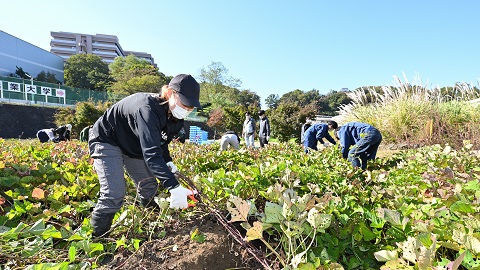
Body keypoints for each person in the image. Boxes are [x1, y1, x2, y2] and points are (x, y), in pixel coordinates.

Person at [88, 74, 200, 237]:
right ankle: (96, 239)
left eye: (190, 108)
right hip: (108, 139)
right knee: (114, 193)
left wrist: (168, 161)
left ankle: (152, 223)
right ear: (169, 93)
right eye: (184, 104)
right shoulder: (147, 108)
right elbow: (152, 154)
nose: (186, 110)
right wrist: (174, 187)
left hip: (133, 145)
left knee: (148, 186)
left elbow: (162, 142)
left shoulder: (175, 117)